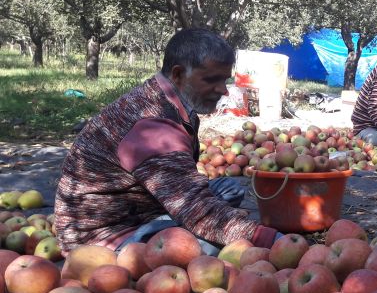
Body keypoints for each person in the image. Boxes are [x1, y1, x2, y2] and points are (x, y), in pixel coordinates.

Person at [54, 28, 279, 256]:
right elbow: (198, 210)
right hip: (103, 240)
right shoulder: (153, 127)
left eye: (224, 80)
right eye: (212, 80)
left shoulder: (168, 100)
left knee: (228, 190)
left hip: (140, 210)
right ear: (178, 74)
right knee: (207, 246)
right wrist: (274, 241)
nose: (223, 91)